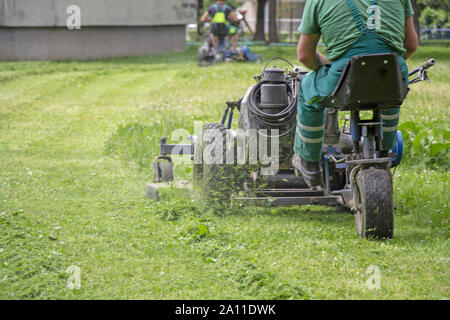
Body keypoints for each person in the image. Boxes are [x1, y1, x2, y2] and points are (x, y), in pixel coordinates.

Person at [291, 0, 418, 188]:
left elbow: (304, 55)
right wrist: (385, 64)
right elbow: (411, 45)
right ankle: (385, 152)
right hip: (393, 71)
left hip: (343, 76)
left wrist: (324, 66)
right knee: (390, 94)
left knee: (308, 88)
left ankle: (310, 163)